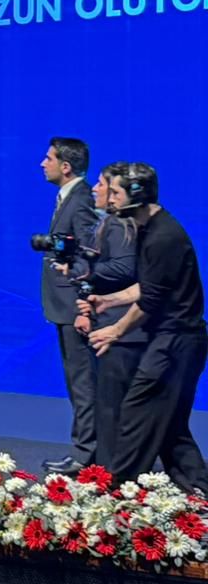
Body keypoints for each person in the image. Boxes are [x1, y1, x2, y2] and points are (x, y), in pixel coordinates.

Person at [86, 162, 208, 491]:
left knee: (138, 412)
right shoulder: (148, 230)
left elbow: (151, 300)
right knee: (170, 427)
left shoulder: (163, 236)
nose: (110, 197)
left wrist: (115, 330)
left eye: (116, 192)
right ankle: (197, 490)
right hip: (173, 340)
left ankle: (118, 489)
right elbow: (150, 284)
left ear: (137, 195)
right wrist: (108, 300)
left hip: (177, 342)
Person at [70, 163, 142, 470]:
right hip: (108, 321)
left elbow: (124, 268)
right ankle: (108, 470)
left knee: (114, 406)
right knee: (108, 404)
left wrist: (83, 271)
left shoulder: (118, 226)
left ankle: (114, 474)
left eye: (102, 185)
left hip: (120, 328)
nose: (96, 190)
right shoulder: (109, 224)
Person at [39, 136, 99, 474]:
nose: (42, 163)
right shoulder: (68, 198)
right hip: (63, 306)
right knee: (77, 382)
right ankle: (86, 450)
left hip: (75, 308)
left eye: (48, 158)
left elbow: (90, 254)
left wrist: (82, 306)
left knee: (83, 382)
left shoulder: (81, 201)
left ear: (65, 166)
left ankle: (86, 454)